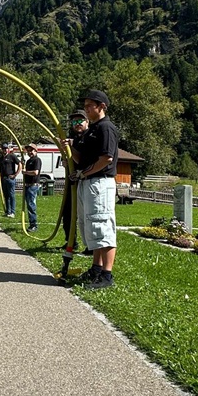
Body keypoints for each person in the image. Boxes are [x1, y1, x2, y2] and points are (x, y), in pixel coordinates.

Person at [67, 90, 118, 289]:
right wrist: (70, 148)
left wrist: (84, 173)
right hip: (89, 182)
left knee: (102, 224)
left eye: (90, 106)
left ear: (102, 106)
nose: (87, 109)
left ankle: (107, 274)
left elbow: (106, 158)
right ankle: (96, 268)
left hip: (100, 182)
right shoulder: (92, 130)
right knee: (91, 225)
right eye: (86, 105)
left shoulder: (106, 128)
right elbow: (81, 159)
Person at [63, 109, 90, 253]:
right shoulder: (75, 139)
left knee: (85, 215)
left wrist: (70, 148)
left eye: (80, 121)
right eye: (74, 121)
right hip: (73, 182)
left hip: (85, 181)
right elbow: (68, 161)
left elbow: (82, 159)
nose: (77, 124)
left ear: (87, 122)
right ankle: (70, 241)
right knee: (68, 214)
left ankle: (90, 246)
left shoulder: (89, 138)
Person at [0, 142, 22, 217]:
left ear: (8, 149)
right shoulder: (1, 158)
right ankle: (8, 212)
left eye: (6, 148)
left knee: (11, 195)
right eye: (3, 148)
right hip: (3, 179)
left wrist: (15, 174)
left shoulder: (12, 156)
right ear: (2, 149)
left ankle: (12, 212)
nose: (5, 150)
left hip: (10, 178)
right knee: (6, 196)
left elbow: (20, 164)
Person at [23, 143, 42, 232]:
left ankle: (34, 225)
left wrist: (25, 172)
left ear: (35, 151)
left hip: (33, 185)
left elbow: (35, 172)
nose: (30, 152)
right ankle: (32, 224)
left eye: (31, 150)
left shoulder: (36, 160)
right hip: (28, 185)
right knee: (29, 205)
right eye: (28, 150)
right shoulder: (28, 161)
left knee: (31, 205)